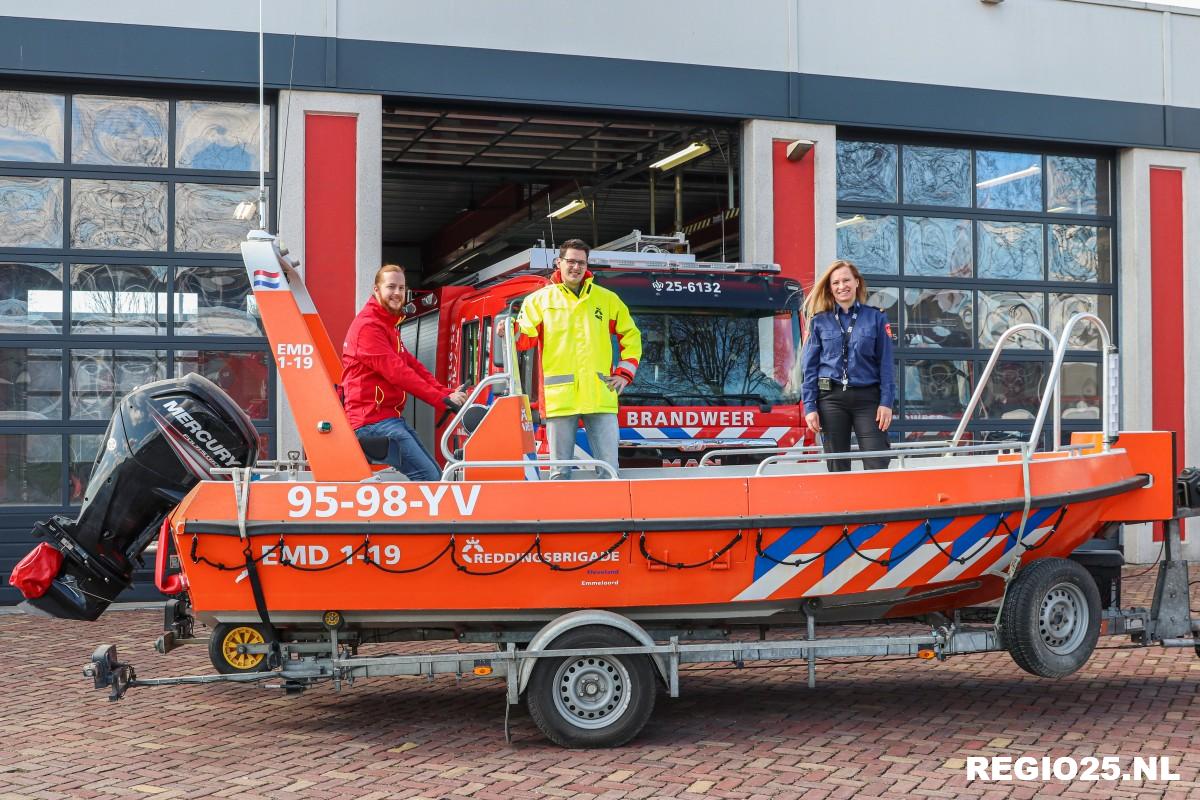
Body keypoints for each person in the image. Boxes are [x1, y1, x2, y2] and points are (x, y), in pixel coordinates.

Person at [516, 239, 641, 479]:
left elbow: (631, 335)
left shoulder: (607, 299)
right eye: (571, 261)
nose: (576, 267)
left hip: (601, 397)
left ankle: (610, 516)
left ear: (587, 265)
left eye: (581, 263)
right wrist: (510, 330)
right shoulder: (540, 300)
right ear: (559, 262)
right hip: (560, 400)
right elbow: (525, 338)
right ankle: (559, 517)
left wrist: (624, 374)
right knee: (559, 473)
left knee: (610, 472)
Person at [341, 264, 467, 480]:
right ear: (376, 289)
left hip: (387, 418)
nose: (397, 293)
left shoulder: (387, 325)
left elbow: (412, 365)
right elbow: (398, 373)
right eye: (391, 287)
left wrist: (445, 392)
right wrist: (441, 399)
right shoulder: (368, 327)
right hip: (372, 422)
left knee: (436, 474)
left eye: (401, 288)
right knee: (430, 478)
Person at [800, 259, 896, 472]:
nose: (841, 286)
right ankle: (843, 506)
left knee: (877, 461)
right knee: (837, 466)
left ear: (857, 283)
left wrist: (887, 402)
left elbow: (886, 363)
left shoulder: (876, 317)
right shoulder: (819, 321)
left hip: (868, 400)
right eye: (835, 283)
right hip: (831, 400)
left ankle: (874, 505)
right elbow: (809, 368)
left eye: (846, 280)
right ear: (830, 288)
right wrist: (810, 406)